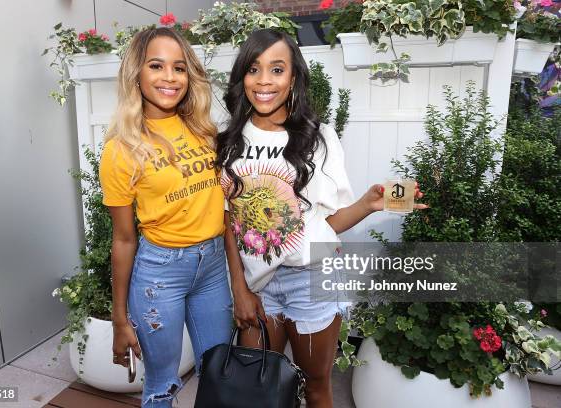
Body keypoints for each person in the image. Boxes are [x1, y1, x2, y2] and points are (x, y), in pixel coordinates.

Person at [216, 29, 427, 407]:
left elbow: (322, 226)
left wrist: (368, 204)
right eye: (253, 68)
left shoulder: (320, 138)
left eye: (277, 69)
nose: (264, 80)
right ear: (242, 78)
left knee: (316, 386)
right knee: (255, 387)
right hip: (255, 284)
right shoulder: (229, 142)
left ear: (293, 77)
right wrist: (240, 289)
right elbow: (230, 223)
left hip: (312, 279)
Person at [99, 27, 232, 408]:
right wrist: (120, 318)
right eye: (156, 66)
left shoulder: (203, 130)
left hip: (212, 268)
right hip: (160, 273)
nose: (170, 78)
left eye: (179, 68)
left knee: (218, 372)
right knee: (162, 384)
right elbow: (124, 239)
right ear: (136, 75)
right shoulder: (121, 148)